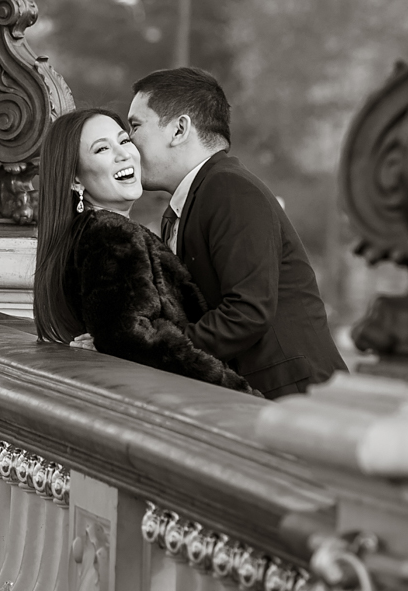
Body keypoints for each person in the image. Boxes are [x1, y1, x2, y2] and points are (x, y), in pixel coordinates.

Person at [125, 67, 346, 398]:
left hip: (294, 398)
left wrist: (154, 348)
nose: (128, 141)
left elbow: (247, 313)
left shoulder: (228, 189)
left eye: (135, 126)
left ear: (179, 129)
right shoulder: (195, 199)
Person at [32, 107, 255, 393]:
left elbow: (121, 335)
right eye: (102, 149)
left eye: (124, 141)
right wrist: (240, 391)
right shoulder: (110, 234)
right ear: (75, 179)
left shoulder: (86, 233)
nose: (124, 153)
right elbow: (132, 339)